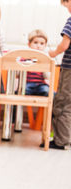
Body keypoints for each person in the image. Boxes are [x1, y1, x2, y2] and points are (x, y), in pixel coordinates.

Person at [45, 0, 71, 150]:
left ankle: (61, 141)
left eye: (66, 4)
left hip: (69, 69)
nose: (66, 8)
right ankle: (67, 137)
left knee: (62, 102)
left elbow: (64, 45)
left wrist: (52, 53)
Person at [26, 29, 50, 96]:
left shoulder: (45, 59)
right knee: (23, 90)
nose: (38, 46)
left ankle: (51, 106)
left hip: (40, 84)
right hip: (27, 84)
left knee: (47, 91)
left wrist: (44, 66)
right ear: (29, 44)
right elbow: (18, 74)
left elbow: (47, 77)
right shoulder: (25, 57)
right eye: (35, 42)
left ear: (45, 46)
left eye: (42, 43)